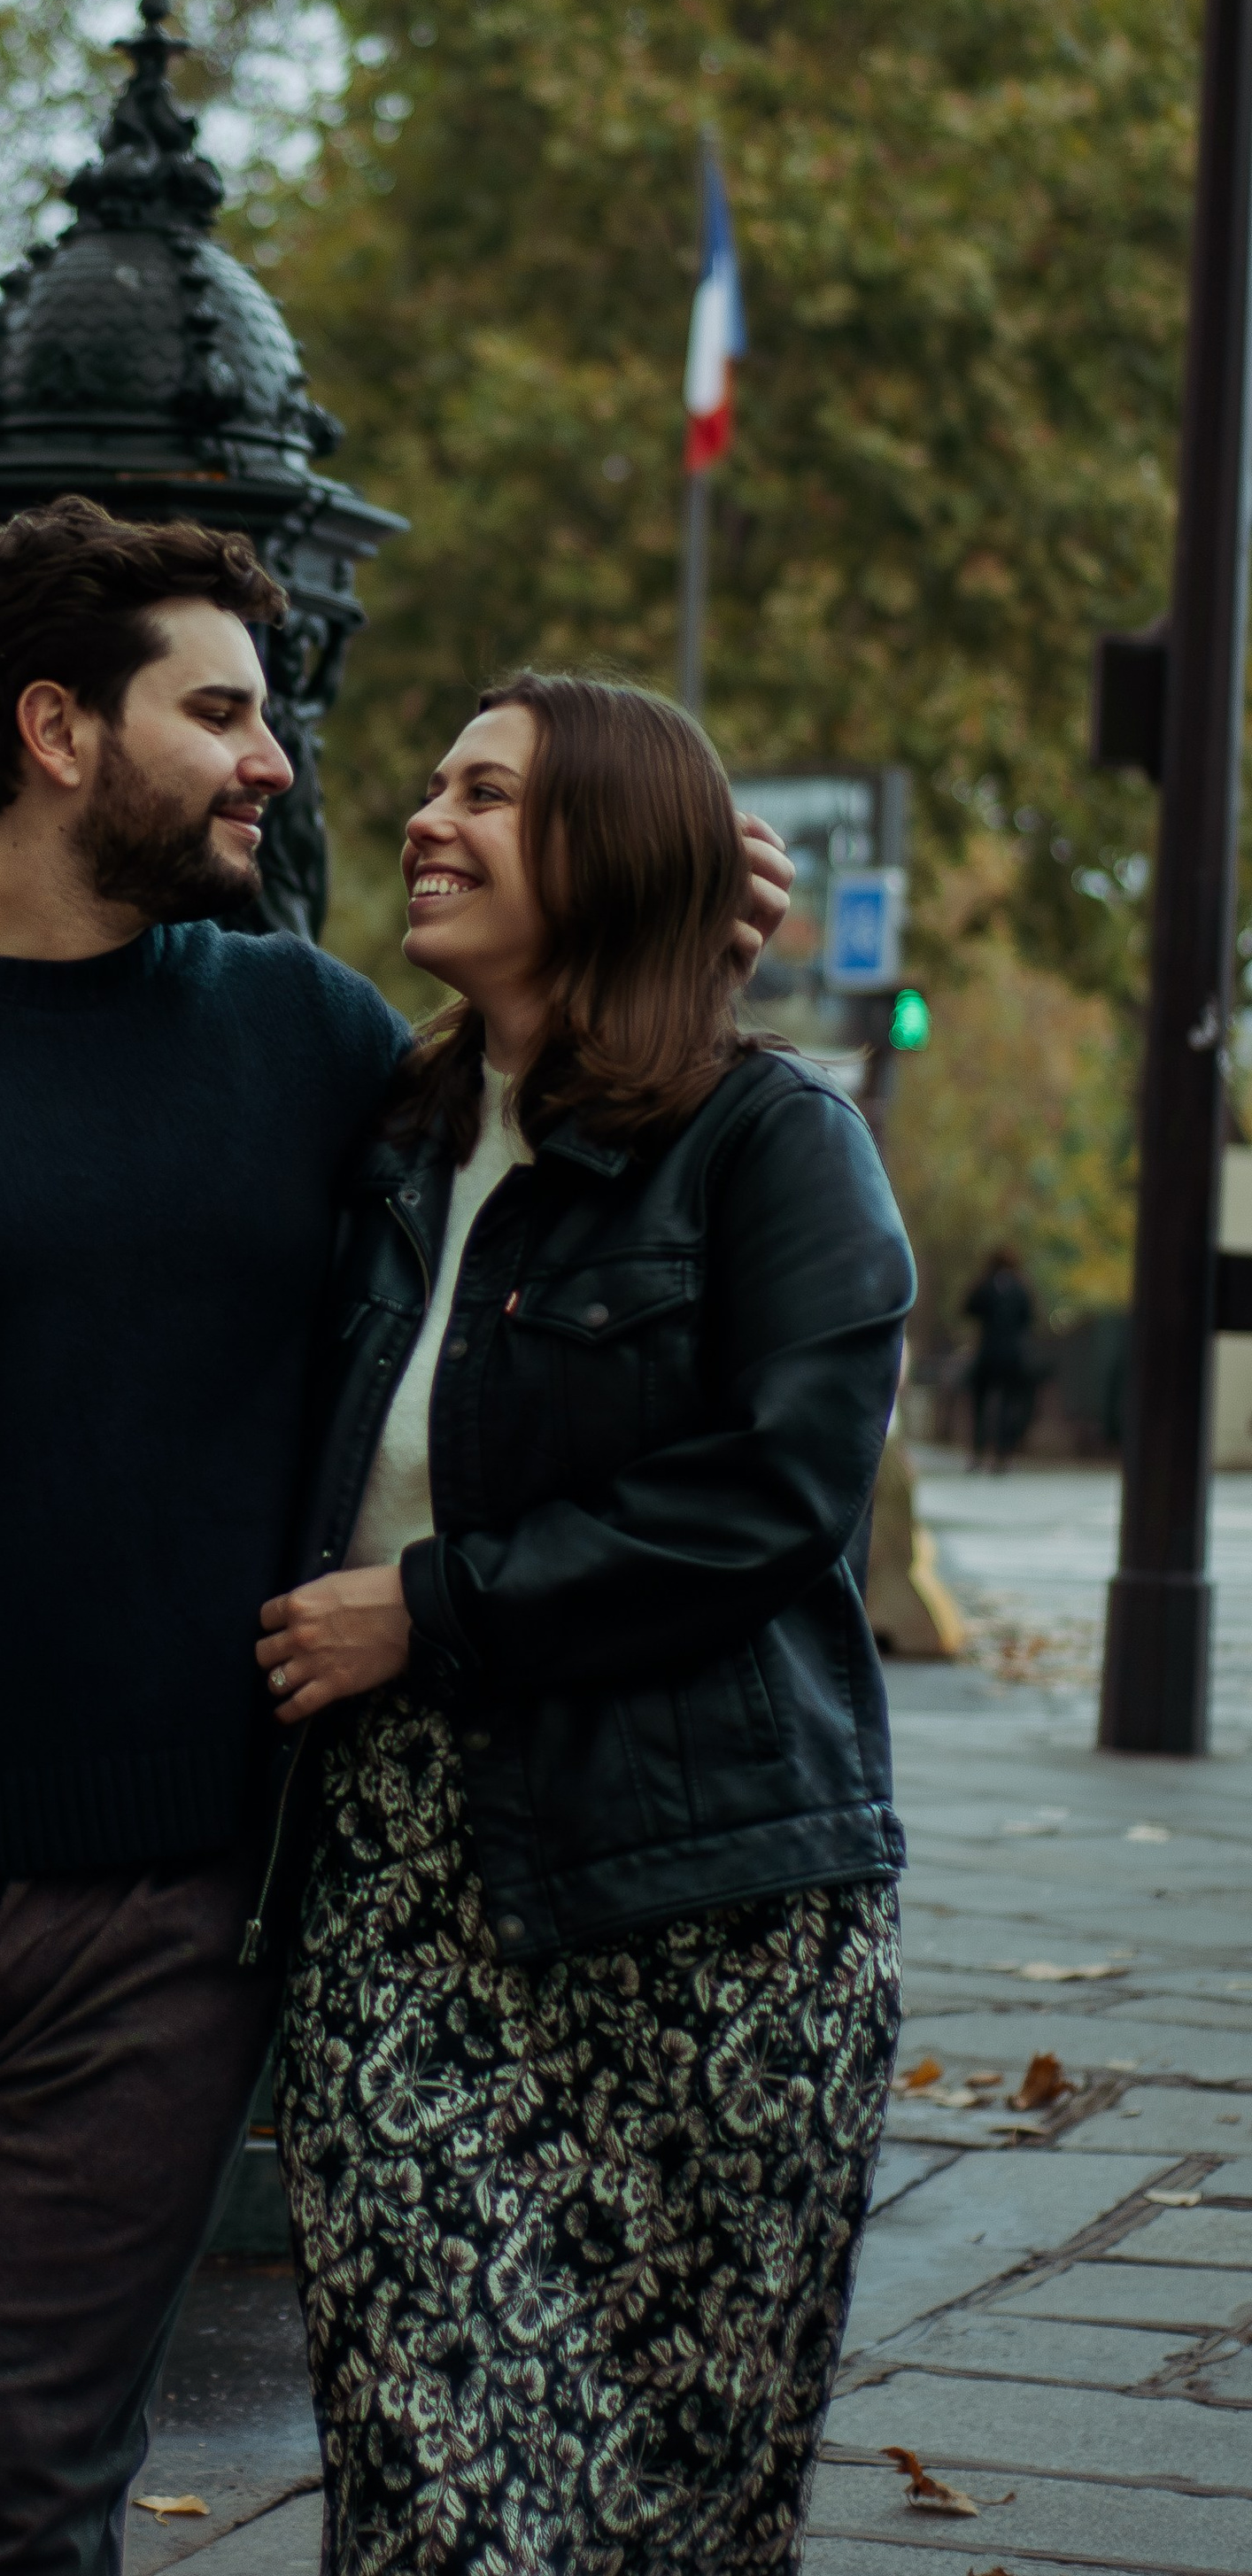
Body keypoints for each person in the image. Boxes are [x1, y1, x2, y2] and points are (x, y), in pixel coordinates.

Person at [0, 507, 793, 2576]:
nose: (274, 761)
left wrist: (670, 936)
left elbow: (561, 1139)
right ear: (55, 728)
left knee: (6, 2505)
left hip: (157, 1918)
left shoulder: (305, 1040)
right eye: (218, 707)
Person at [256, 672, 913, 2576]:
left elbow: (778, 1495)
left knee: (678, 2523)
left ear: (610, 856)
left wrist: (432, 1612)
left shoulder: (773, 1142)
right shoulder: (389, 1127)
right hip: (399, 1890)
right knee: (436, 2501)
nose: (423, 817)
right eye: (432, 782)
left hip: (711, 1912)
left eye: (493, 795)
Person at [963, 1249, 1038, 1472]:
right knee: (1007, 1406)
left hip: (987, 1353)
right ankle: (1002, 1456)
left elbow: (969, 1307)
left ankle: (979, 1453)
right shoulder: (1021, 1288)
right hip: (1011, 1355)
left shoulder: (985, 1285)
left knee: (980, 1404)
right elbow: (1028, 1318)